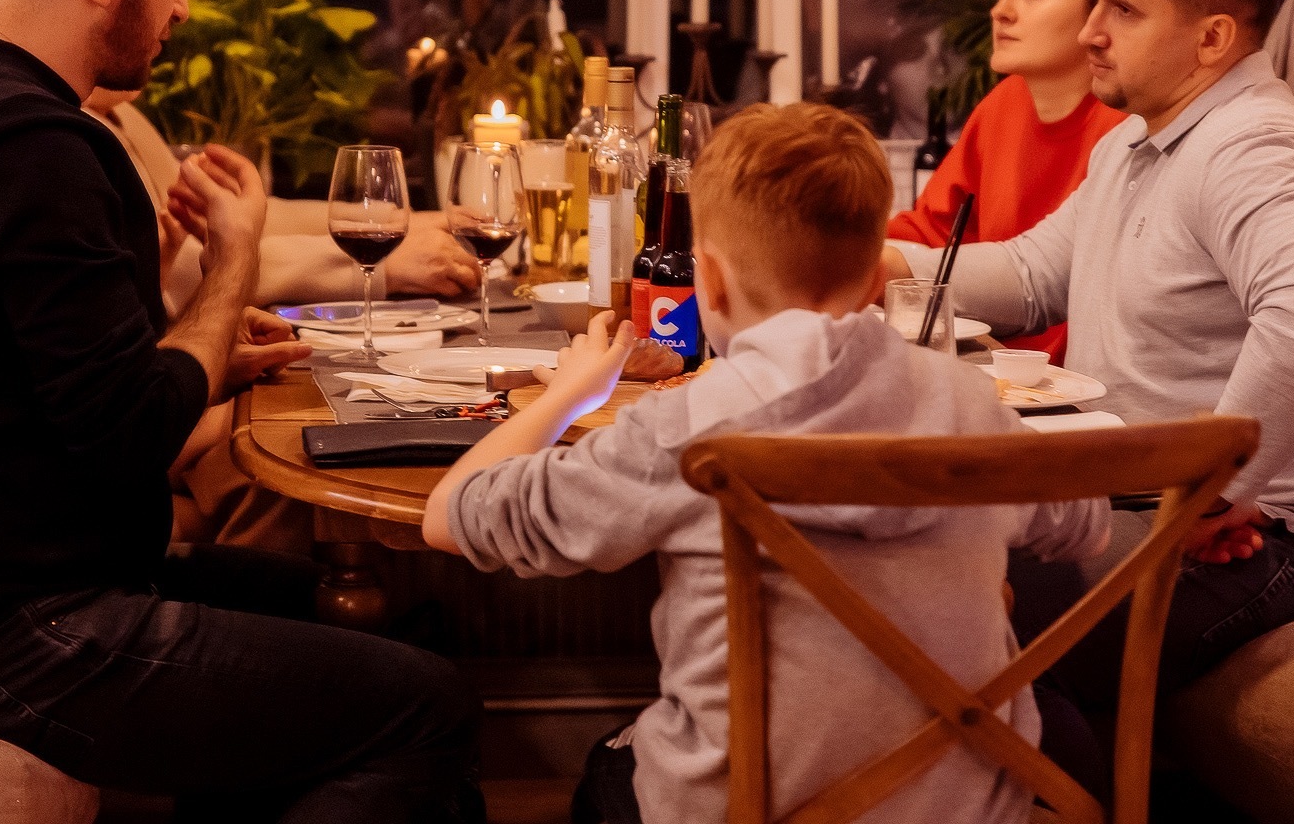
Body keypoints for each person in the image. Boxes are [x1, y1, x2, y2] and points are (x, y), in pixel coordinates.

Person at [0, 0, 481, 820]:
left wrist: (206, 353)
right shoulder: (32, 141)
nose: (181, 6)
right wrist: (232, 261)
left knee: (383, 624)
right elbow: (133, 435)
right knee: (425, 706)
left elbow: (46, 383)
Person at [423, 103, 1110, 824]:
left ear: (711, 282)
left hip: (742, 809)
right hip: (963, 810)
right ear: (874, 282)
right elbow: (1084, 524)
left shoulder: (684, 429)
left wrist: (571, 391)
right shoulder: (968, 404)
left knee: (607, 771)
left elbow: (450, 514)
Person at [882, 0, 1294, 717]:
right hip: (1139, 494)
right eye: (1096, 3)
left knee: (946, 602)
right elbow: (1030, 274)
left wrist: (1212, 490)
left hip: (1279, 537)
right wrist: (868, 264)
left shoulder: (1259, 147)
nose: (1092, 32)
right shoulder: (1133, 141)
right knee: (908, 564)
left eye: (1123, 10)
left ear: (1212, 38)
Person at [887, 0, 1128, 363]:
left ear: (1100, 9)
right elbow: (935, 231)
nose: (1001, 11)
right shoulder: (1005, 103)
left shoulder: (1126, 128)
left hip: (1077, 381)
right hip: (989, 361)